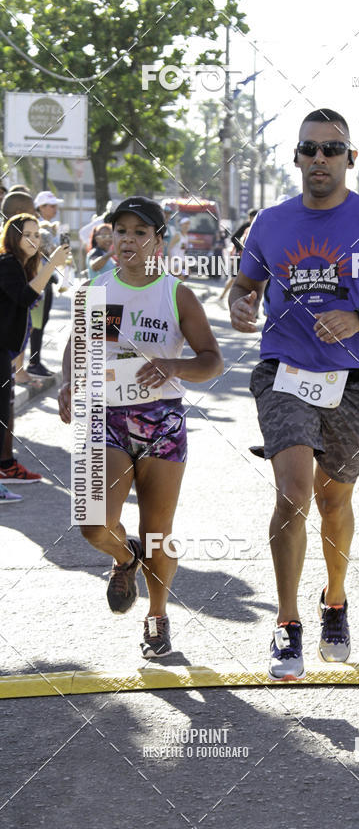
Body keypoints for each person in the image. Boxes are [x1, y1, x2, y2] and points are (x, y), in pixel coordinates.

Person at [229, 108, 359, 681]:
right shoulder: (270, 222)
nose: (319, 159)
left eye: (331, 149)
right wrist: (238, 302)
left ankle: (334, 600)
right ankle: (287, 625)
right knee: (293, 493)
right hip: (283, 373)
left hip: (354, 383)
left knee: (334, 501)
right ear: (296, 159)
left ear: (349, 158)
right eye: (309, 149)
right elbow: (245, 284)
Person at [58, 196, 223, 657]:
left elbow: (212, 361)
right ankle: (123, 555)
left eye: (139, 232)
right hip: (105, 418)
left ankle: (157, 616)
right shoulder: (96, 289)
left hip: (161, 421)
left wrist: (173, 365)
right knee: (93, 524)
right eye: (121, 231)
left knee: (158, 530)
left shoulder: (176, 294)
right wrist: (70, 382)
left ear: (158, 239)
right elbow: (77, 344)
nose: (128, 240)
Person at [0, 214, 68, 499]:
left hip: (6, 350)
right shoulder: (7, 263)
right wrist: (51, 264)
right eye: (27, 234)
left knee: (3, 412)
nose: (33, 239)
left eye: (37, 234)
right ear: (13, 237)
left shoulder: (21, 265)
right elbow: (26, 298)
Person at [29, 190, 64, 377]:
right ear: (40, 207)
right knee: (36, 323)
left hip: (48, 278)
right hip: (38, 279)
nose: (55, 208)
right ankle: (33, 362)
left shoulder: (54, 227)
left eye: (55, 205)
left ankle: (35, 361)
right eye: (51, 205)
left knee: (40, 322)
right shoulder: (35, 227)